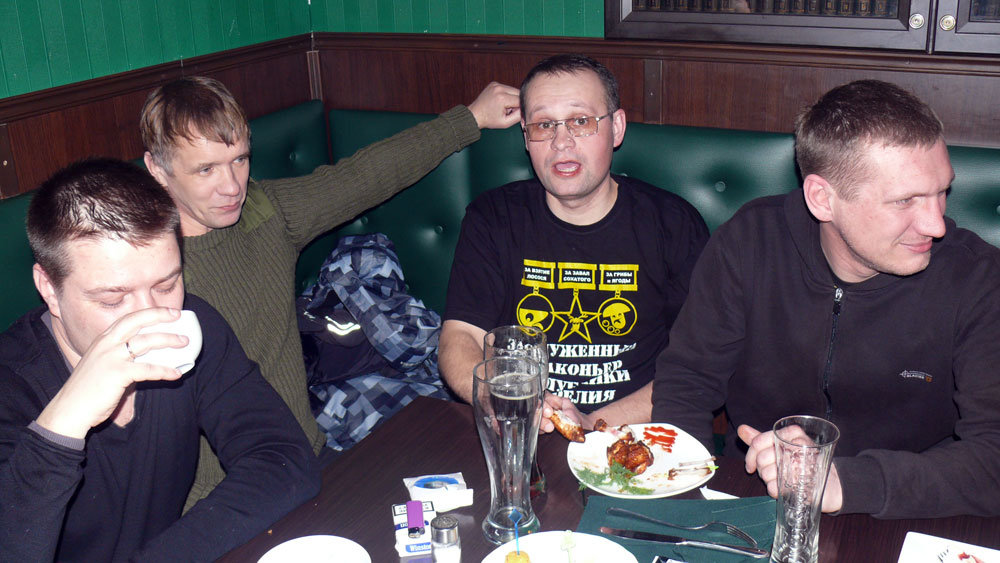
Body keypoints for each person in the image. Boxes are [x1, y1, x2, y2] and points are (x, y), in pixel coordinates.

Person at [140, 76, 520, 505]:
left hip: (308, 460)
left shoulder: (266, 213)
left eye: (240, 160)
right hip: (220, 497)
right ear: (157, 169)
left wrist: (471, 118)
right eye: (206, 169)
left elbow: (365, 175)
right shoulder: (140, 270)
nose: (232, 187)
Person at [652, 79, 1000, 518]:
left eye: (942, 191)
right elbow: (687, 383)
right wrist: (686, 507)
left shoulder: (978, 278)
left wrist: (843, 482)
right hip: (756, 495)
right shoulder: (749, 241)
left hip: (913, 511)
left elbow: (994, 457)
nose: (936, 224)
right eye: (905, 200)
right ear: (822, 199)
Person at [0, 159, 319, 561]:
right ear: (48, 288)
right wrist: (63, 423)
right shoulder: (10, 387)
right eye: (112, 299)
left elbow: (284, 459)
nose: (149, 316)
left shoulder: (191, 329)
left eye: (167, 284)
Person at [440, 54, 708, 432]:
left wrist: (590, 423)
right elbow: (460, 337)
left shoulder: (673, 224)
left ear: (616, 128)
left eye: (580, 122)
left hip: (634, 436)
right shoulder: (494, 216)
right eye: (544, 125)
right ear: (526, 137)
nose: (561, 143)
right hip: (521, 429)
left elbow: (697, 367)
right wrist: (500, 398)